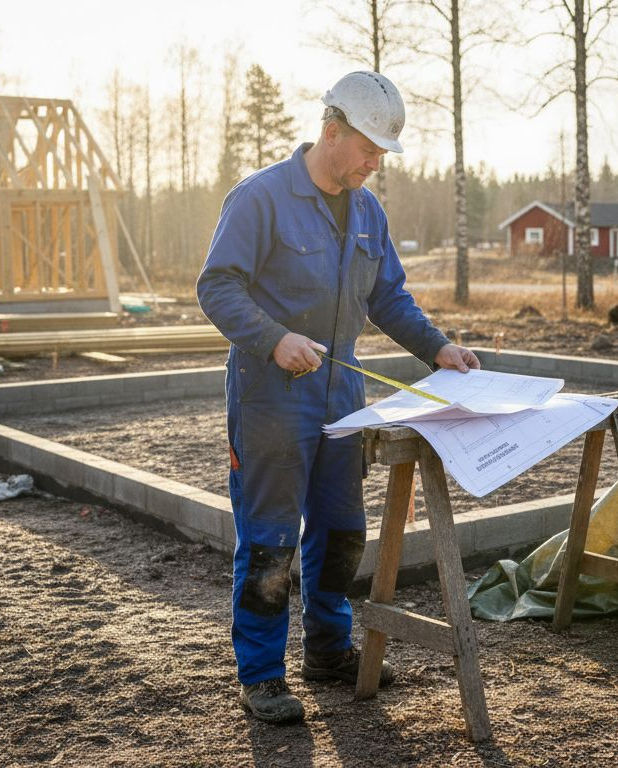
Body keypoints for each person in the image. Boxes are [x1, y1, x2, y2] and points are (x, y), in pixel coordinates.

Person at [197, 71, 480, 724]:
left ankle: (328, 649)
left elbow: (387, 299)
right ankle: (262, 676)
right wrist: (272, 339)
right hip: (271, 398)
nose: (376, 164)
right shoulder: (260, 199)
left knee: (343, 533)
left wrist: (437, 348)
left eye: (383, 153)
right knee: (270, 543)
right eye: (369, 149)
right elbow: (217, 287)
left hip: (343, 398)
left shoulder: (368, 213)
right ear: (331, 132)